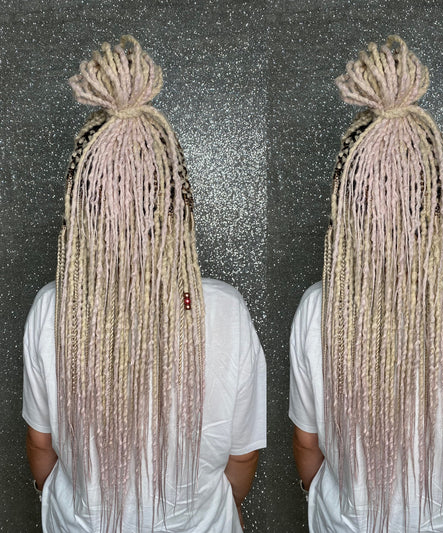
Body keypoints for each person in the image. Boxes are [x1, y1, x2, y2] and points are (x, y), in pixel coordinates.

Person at [289, 35, 443, 532]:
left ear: (348, 207)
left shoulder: (320, 308)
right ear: (441, 201)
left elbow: (307, 445)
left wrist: (327, 502)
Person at [23, 36, 266, 532]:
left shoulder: (53, 308)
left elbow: (40, 445)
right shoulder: (225, 310)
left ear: (82, 208)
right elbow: (242, 457)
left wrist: (58, 502)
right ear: (175, 203)